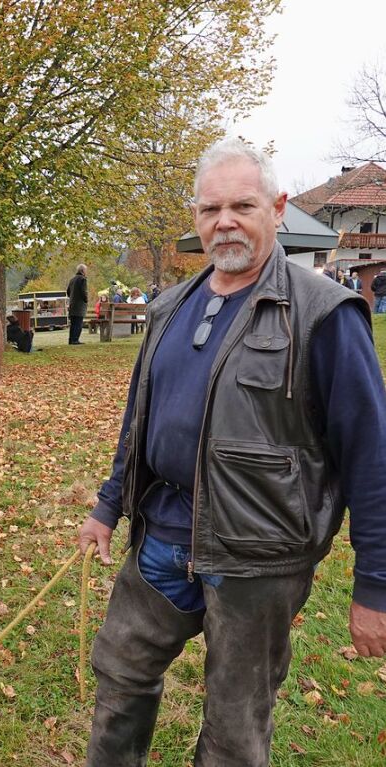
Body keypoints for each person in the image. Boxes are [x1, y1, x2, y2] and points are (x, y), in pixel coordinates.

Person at [78, 138, 386, 767]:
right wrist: (109, 506)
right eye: (209, 208)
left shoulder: (325, 314)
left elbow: (372, 459)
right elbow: (139, 420)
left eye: (242, 205)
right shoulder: (168, 307)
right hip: (161, 538)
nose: (224, 221)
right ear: (195, 217)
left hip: (258, 558)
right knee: (120, 678)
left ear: (276, 209)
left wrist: (376, 586)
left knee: (235, 728)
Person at [66, 264, 88, 345]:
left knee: (73, 324)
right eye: (85, 270)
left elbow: (68, 292)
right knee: (78, 323)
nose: (86, 272)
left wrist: (72, 297)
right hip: (79, 305)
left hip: (72, 304)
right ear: (82, 271)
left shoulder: (72, 279)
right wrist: (86, 300)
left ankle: (71, 340)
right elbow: (84, 291)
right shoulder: (83, 279)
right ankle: (75, 340)